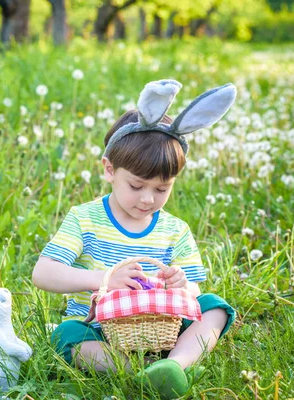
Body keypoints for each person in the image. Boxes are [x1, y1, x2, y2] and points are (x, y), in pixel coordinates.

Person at [32, 79, 238, 399]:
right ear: (110, 170)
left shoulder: (175, 229)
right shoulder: (84, 219)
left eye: (161, 189)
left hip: (162, 328)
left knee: (215, 308)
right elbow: (43, 273)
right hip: (99, 331)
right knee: (65, 336)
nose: (147, 200)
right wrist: (103, 279)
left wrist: (180, 284)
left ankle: (175, 364)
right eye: (137, 185)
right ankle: (139, 374)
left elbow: (194, 291)